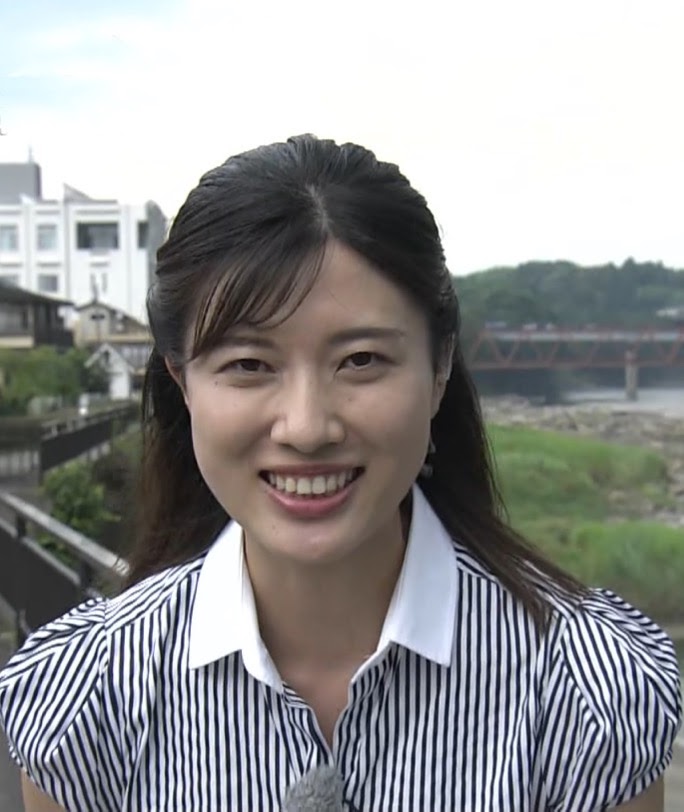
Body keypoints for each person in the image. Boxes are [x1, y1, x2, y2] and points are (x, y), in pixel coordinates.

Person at [0, 134, 681, 811]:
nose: (306, 427)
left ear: (439, 367)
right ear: (182, 382)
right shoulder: (90, 700)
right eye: (249, 365)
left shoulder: (581, 693)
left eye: (360, 361)